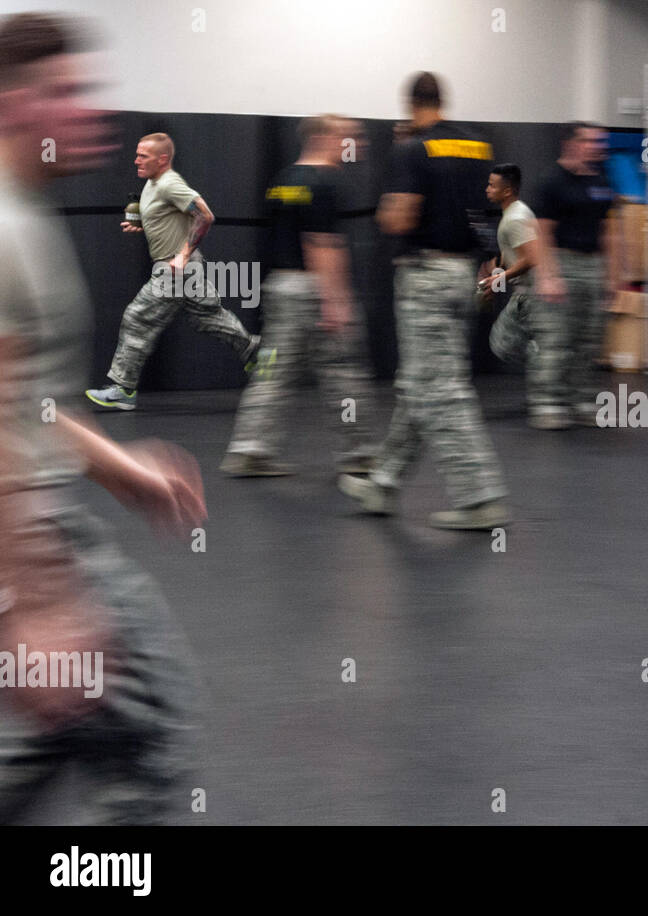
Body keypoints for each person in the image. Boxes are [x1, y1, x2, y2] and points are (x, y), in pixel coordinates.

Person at [0, 12, 205, 824]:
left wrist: (121, 469)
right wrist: (36, 605)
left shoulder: (25, 213)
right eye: (66, 94)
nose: (89, 112)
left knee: (61, 733)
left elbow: (22, 407)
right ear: (14, 104)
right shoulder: (7, 231)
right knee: (147, 738)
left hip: (34, 526)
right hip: (27, 538)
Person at [337, 72, 510, 530]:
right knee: (421, 383)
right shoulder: (479, 148)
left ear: (411, 104)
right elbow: (491, 212)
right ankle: (383, 484)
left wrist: (386, 194)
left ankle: (480, 497)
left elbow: (399, 218)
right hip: (466, 273)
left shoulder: (410, 150)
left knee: (441, 390)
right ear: (442, 101)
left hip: (426, 278)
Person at [220, 114, 377, 477]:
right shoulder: (326, 181)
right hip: (313, 288)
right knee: (343, 371)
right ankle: (360, 453)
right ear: (323, 138)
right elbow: (321, 244)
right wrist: (336, 302)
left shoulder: (283, 181)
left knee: (272, 371)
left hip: (281, 287)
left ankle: (249, 449)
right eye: (347, 138)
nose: (355, 146)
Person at [85, 131, 261, 410]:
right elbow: (170, 218)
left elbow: (205, 215)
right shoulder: (153, 184)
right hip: (185, 270)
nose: (136, 160)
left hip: (175, 269)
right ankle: (256, 352)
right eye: (137, 154)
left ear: (162, 159)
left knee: (137, 318)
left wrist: (182, 255)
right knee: (209, 318)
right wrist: (143, 225)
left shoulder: (170, 183)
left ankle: (123, 389)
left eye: (143, 156)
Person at [530, 122, 620, 429]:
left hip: (593, 264)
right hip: (561, 261)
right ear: (571, 143)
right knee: (556, 337)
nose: (598, 146)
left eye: (599, 141)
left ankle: (579, 399)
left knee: (589, 337)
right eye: (591, 141)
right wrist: (547, 276)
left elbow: (608, 230)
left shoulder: (601, 179)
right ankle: (547, 401)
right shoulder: (551, 181)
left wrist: (611, 277)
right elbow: (541, 233)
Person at [483, 163, 543, 384]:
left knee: (502, 344)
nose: (487, 189)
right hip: (527, 292)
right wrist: (495, 281)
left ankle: (548, 366)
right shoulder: (515, 213)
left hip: (530, 295)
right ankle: (548, 365)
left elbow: (531, 258)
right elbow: (513, 254)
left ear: (507, 190)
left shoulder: (514, 218)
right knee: (507, 343)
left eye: (492, 185)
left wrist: (499, 278)